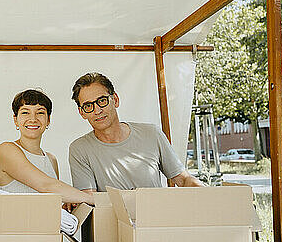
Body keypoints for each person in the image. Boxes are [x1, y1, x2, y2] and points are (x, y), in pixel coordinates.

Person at [68, 72, 204, 192]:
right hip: (111, 220)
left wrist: (204, 190)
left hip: (156, 217)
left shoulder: (151, 134)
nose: (97, 110)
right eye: (88, 106)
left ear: (115, 100)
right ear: (82, 112)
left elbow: (182, 179)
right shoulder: (79, 149)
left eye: (102, 101)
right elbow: (88, 197)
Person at [0, 89, 94, 205]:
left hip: (45, 222)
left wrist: (68, 201)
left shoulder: (51, 160)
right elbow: (46, 185)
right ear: (16, 120)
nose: (33, 119)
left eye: (40, 112)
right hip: (13, 222)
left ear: (48, 120)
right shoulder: (7, 149)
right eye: (25, 112)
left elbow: (53, 196)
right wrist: (94, 200)